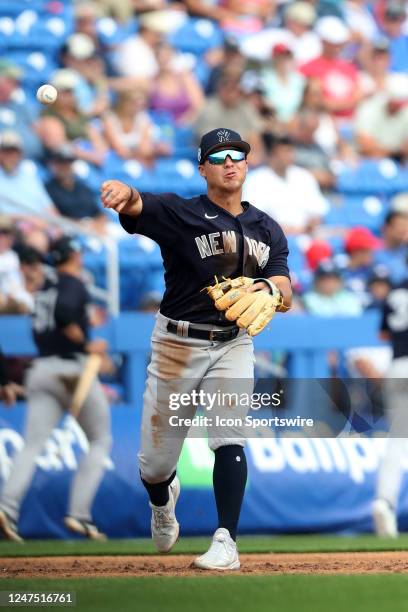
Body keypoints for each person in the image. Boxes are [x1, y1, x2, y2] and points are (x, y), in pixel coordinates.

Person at [100, 128, 292, 570]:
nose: (230, 162)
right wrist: (120, 191)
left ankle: (226, 541)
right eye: (219, 155)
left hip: (233, 343)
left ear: (247, 163)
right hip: (176, 344)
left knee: (228, 433)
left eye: (238, 154)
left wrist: (267, 287)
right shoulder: (181, 212)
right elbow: (136, 202)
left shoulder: (266, 227)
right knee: (154, 463)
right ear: (203, 167)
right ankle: (162, 499)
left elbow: (285, 288)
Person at [0, 237, 112, 542]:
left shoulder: (43, 289)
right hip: (72, 368)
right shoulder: (72, 284)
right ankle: (79, 515)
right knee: (100, 439)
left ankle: (7, 507)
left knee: (31, 445)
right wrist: (87, 344)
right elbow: (64, 314)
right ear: (74, 255)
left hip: (42, 370)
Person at [372, 262, 408, 537]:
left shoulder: (395, 290)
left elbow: (384, 333)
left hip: (397, 366)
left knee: (397, 440)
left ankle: (385, 501)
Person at [242, 133, 329, 234]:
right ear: (272, 154)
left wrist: (313, 221)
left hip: (307, 235)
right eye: (283, 152)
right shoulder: (255, 180)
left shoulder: (304, 176)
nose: (287, 156)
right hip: (271, 239)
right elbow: (252, 218)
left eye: (290, 151)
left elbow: (320, 209)